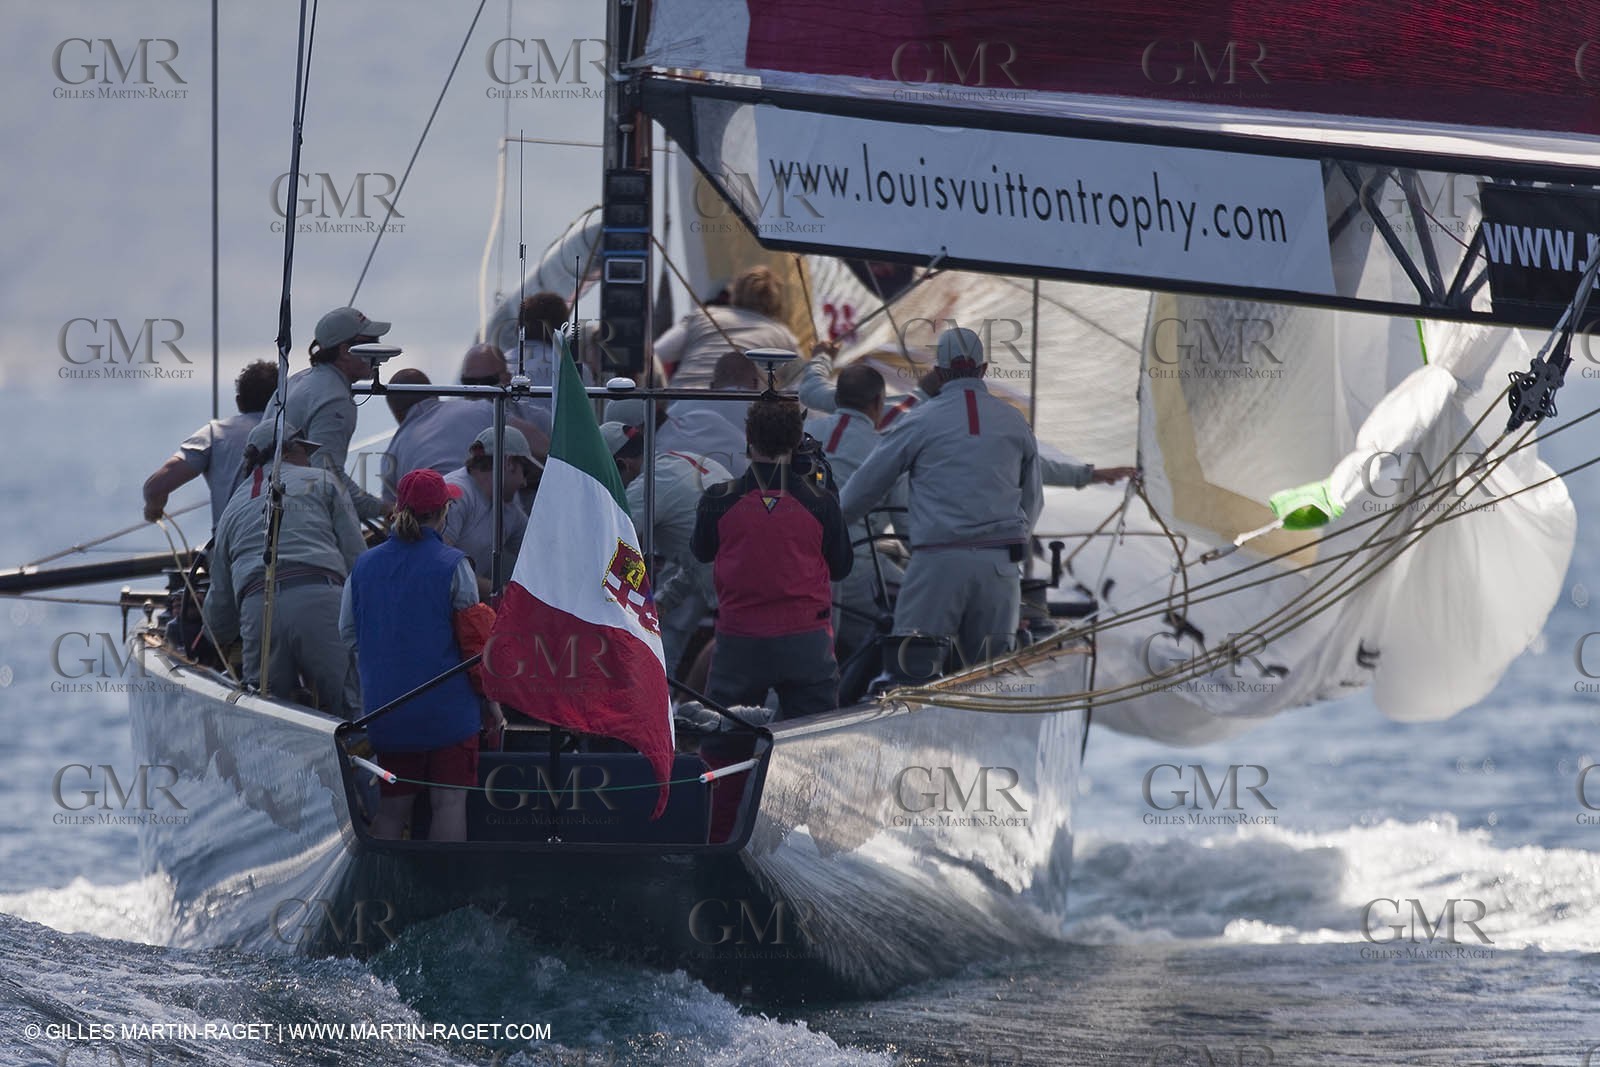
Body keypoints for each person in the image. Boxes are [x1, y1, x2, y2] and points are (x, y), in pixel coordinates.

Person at [840, 328, 1134, 668]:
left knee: (912, 671)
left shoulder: (918, 421)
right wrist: (1012, 544)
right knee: (988, 676)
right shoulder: (1013, 421)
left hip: (936, 565)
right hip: (999, 568)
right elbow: (1034, 497)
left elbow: (863, 489)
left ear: (939, 373)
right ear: (984, 369)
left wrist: (828, 527)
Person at [341, 469, 488, 842]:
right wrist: (493, 704)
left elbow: (348, 634)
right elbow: (475, 647)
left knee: (392, 811)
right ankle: (446, 896)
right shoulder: (454, 564)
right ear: (444, 512)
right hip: (448, 716)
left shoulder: (363, 566)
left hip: (387, 712)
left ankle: (380, 891)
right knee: (449, 805)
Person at [691, 396, 852, 718]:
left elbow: (701, 551)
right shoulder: (821, 502)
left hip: (740, 640)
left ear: (749, 439)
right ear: (795, 441)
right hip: (806, 640)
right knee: (811, 739)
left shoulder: (718, 498)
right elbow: (842, 568)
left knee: (725, 736)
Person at [203, 418, 365, 716]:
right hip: (320, 600)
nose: (309, 458)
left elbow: (221, 601)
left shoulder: (231, 510)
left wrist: (213, 639)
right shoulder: (324, 481)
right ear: (288, 450)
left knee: (267, 718)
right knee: (352, 712)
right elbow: (358, 560)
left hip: (258, 610)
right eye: (305, 450)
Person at [601, 421, 731, 677]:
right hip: (756, 572)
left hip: (737, 592)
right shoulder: (684, 459)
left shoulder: (645, 487)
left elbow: (605, 547)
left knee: (742, 672)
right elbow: (698, 558)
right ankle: (673, 704)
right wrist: (663, 601)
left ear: (622, 465)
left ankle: (667, 705)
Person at [803, 364, 908, 664]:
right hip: (859, 574)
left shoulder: (805, 434)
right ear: (877, 403)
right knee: (915, 615)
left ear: (836, 399)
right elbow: (905, 526)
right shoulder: (886, 448)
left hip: (803, 569)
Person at [257, 305, 392, 520]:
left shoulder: (296, 381)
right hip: (292, 516)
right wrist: (385, 510)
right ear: (344, 351)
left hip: (262, 505)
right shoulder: (336, 400)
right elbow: (327, 477)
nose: (376, 350)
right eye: (369, 343)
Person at [142, 360, 279, 528]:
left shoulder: (215, 434)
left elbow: (156, 488)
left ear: (239, 401)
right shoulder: (296, 434)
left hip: (233, 549)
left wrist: (153, 509)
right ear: (281, 399)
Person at [657, 266, 798, 388]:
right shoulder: (783, 336)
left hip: (680, 409)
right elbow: (805, 384)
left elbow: (654, 355)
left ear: (735, 291)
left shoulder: (701, 317)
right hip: (745, 416)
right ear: (777, 303)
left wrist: (659, 399)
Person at [443, 426, 538, 598]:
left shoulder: (510, 510)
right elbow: (439, 565)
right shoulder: (457, 494)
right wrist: (501, 592)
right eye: (526, 471)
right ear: (509, 462)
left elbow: (541, 552)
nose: (524, 483)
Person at [655, 351, 760, 476]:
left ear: (712, 386)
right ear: (756, 384)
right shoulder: (767, 412)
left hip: (674, 478)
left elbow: (661, 435)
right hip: (746, 486)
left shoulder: (683, 404)